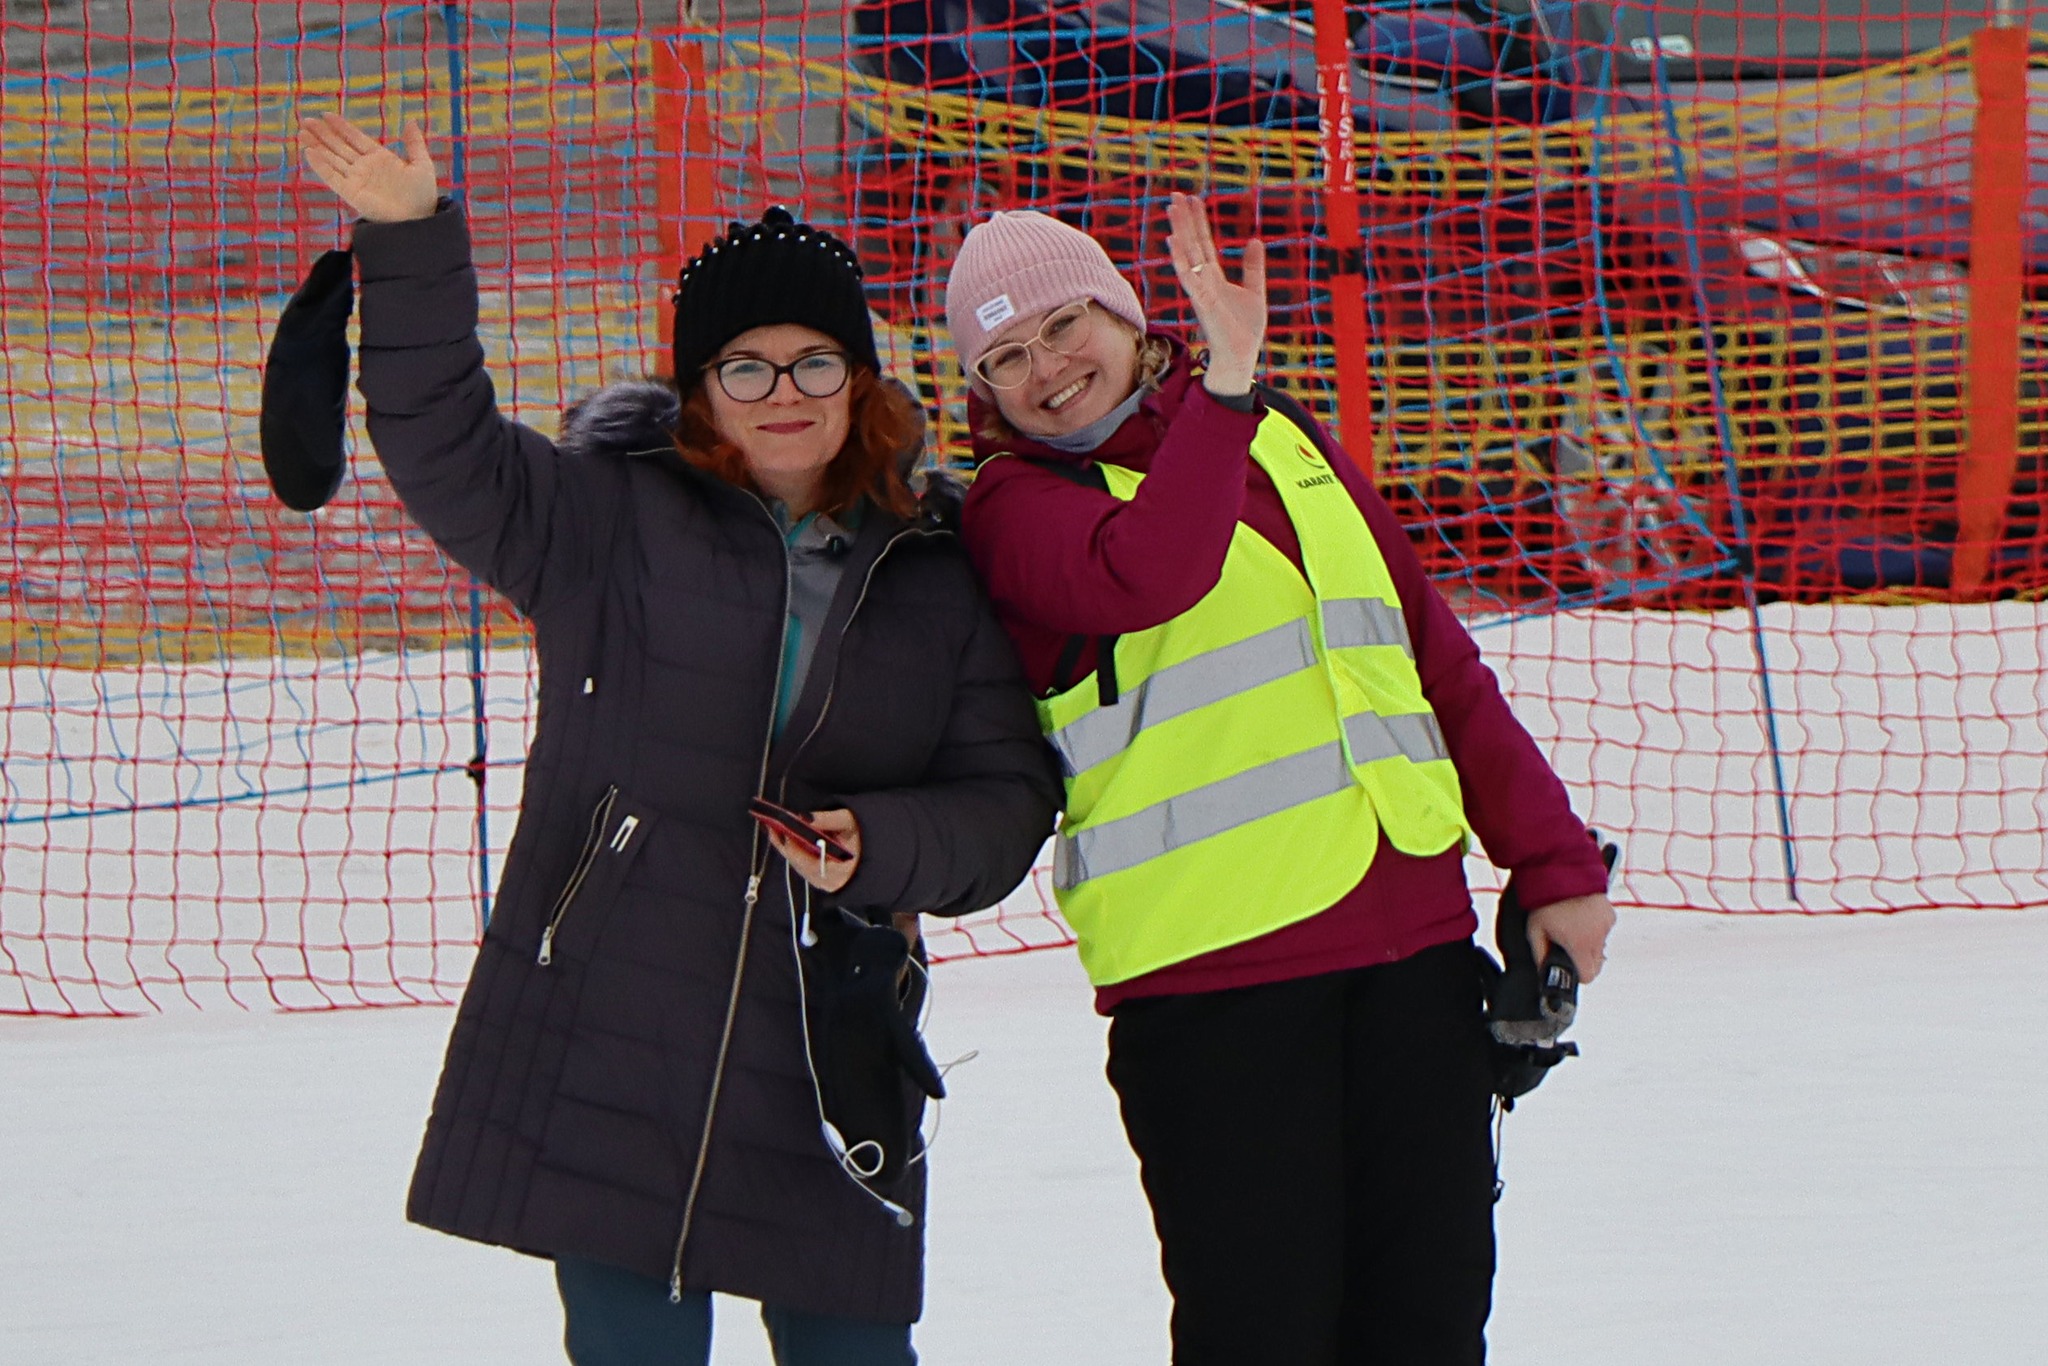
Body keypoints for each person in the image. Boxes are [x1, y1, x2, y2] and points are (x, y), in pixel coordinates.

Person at [297, 113, 1061, 1365]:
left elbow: (1007, 798)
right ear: (700, 390)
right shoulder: (603, 518)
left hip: (827, 1046)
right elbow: (437, 434)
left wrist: (882, 843)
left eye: (814, 363)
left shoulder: (933, 565)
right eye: (745, 368)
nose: (783, 394)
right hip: (613, 1026)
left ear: (861, 382)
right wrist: (412, 239)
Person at [943, 194, 1618, 1364]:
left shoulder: (1273, 432)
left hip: (1408, 952)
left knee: (1427, 1323)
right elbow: (1152, 571)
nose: (1046, 370)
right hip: (1211, 990)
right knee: (1262, 1335)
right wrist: (1222, 391)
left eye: (1062, 326)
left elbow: (1426, 652)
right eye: (1005, 357)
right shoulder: (1015, 510)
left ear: (1124, 315)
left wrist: (1551, 861)